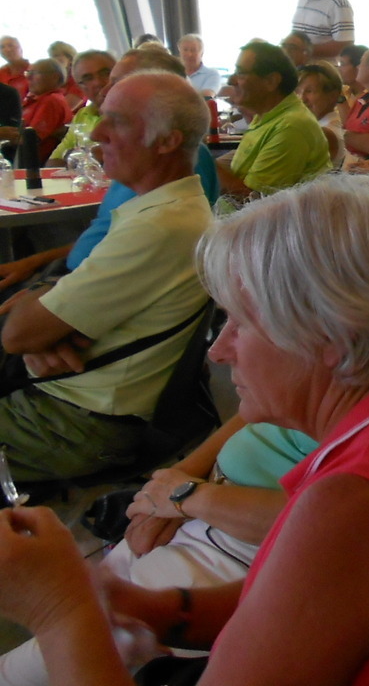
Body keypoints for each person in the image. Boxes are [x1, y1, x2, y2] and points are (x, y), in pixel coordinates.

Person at [0, 175, 369, 685]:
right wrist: (148, 609)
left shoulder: (354, 506)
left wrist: (58, 610)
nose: (219, 350)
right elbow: (296, 602)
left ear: (330, 337)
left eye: (241, 323)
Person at [0, 71, 213, 482]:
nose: (97, 133)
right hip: (71, 402)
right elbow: (29, 335)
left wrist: (37, 323)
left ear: (167, 141)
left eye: (117, 121)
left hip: (68, 422)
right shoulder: (166, 210)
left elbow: (18, 335)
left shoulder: (158, 226)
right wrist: (43, 323)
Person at [216, 42, 331, 203]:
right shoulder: (266, 117)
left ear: (271, 81)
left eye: (240, 73)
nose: (231, 80)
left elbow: (255, 202)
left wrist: (205, 164)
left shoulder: (291, 127)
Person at [49, 49, 115, 163]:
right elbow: (53, 161)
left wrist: (75, 155)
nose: (98, 82)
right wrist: (84, 156)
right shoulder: (82, 115)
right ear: (80, 88)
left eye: (105, 73)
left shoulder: (137, 112)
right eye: (88, 78)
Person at [19, 60, 73, 164]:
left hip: (35, 165)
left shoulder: (51, 101)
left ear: (55, 77)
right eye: (28, 73)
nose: (28, 77)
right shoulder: (36, 100)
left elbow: (29, 139)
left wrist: (5, 135)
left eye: (34, 73)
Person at [295, 62, 345, 167]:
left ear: (332, 95)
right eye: (298, 91)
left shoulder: (324, 132)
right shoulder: (319, 124)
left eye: (309, 91)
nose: (301, 98)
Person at [46, 41, 83, 111]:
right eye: (51, 57)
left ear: (70, 59)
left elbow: (64, 108)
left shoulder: (78, 79)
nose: (52, 60)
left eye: (56, 56)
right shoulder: (53, 79)